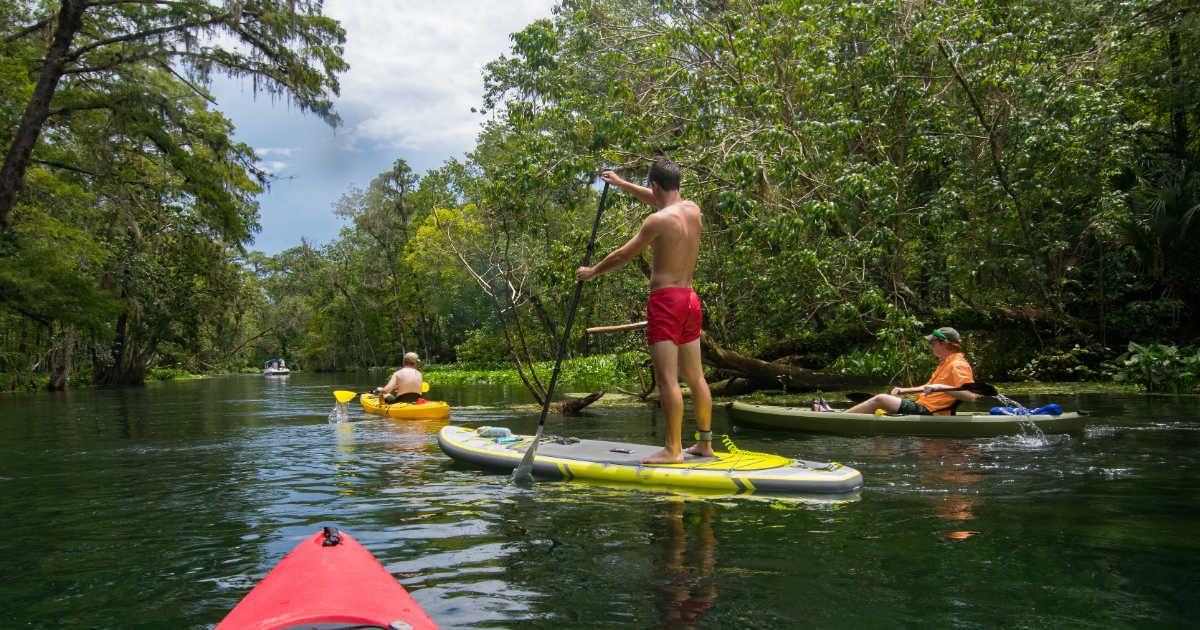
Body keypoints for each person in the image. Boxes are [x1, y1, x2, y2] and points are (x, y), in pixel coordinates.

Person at [577, 158, 713, 464]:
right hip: (690, 300)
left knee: (667, 379)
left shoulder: (656, 222)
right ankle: (705, 444)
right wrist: (622, 184)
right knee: (696, 378)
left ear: (654, 184)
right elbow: (658, 199)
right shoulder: (692, 209)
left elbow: (624, 255)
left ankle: (673, 450)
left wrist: (593, 271)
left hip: (666, 302)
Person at [815, 327, 978, 415]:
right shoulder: (945, 363)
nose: (931, 347)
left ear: (943, 343)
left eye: (933, 343)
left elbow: (970, 396)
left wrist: (941, 388)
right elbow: (930, 388)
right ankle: (839, 413)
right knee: (883, 403)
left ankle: (839, 418)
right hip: (923, 406)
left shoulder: (957, 365)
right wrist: (905, 390)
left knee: (880, 399)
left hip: (931, 412)